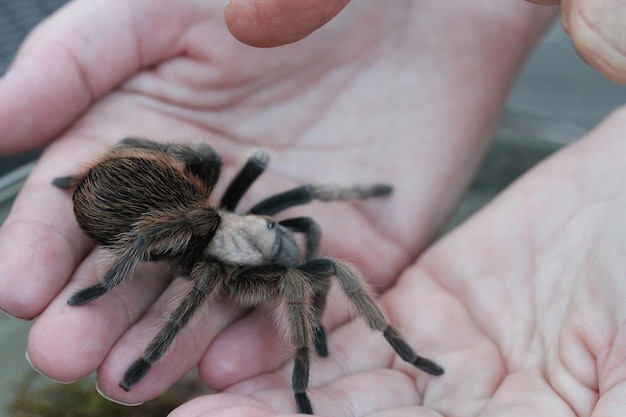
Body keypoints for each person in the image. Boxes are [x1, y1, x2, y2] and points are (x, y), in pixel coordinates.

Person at [0, 0, 625, 415]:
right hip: (153, 210)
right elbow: (196, 279)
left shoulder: (246, 222)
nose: (280, 231)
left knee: (291, 244)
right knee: (213, 221)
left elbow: (284, 221)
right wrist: (122, 287)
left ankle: (387, 351)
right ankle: (294, 375)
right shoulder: (217, 249)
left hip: (165, 204)